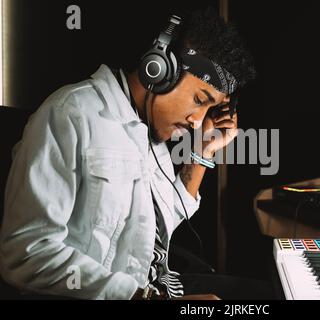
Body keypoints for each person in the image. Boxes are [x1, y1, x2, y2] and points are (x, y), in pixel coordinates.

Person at [0, 7, 273, 300]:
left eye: (209, 108)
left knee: (267, 294)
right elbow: (27, 253)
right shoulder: (71, 114)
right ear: (159, 68)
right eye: (199, 100)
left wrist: (204, 150)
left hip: (158, 286)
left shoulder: (149, 133)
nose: (197, 120)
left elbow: (159, 226)